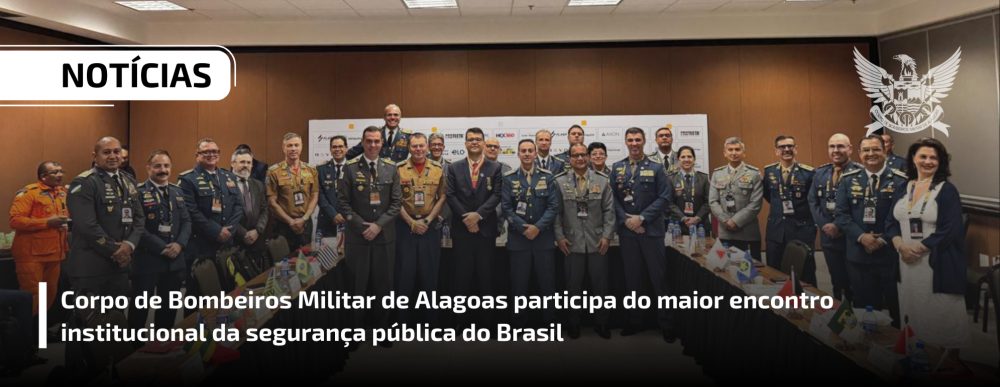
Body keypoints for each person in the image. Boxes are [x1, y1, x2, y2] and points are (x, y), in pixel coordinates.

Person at [887, 138, 970, 348]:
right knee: (913, 312)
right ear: (913, 159)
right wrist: (900, 247)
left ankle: (946, 363)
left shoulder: (946, 190)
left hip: (937, 263)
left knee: (942, 316)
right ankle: (916, 356)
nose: (928, 161)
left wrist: (917, 249)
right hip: (906, 263)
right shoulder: (903, 187)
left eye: (934, 157)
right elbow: (890, 223)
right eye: (923, 156)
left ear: (940, 162)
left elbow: (950, 229)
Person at [337, 126, 402, 347]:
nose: (373, 145)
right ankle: (355, 334)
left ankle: (383, 332)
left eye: (376, 141)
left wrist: (378, 226)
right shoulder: (350, 168)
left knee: (384, 287)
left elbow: (396, 204)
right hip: (358, 238)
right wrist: (361, 226)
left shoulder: (391, 168)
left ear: (381, 144)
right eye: (369, 141)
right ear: (362, 143)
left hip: (384, 238)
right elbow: (343, 203)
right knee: (357, 287)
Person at [609, 127, 675, 343]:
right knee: (633, 280)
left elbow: (665, 198)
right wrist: (628, 221)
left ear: (645, 141)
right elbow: (613, 200)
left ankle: (666, 323)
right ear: (626, 142)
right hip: (628, 234)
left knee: (659, 280)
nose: (634, 143)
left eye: (638, 140)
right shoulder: (617, 168)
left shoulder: (656, 168)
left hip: (652, 232)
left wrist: (642, 218)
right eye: (630, 140)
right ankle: (635, 321)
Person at [834, 134, 906, 327]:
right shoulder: (848, 179)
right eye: (866, 150)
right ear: (859, 154)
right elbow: (841, 214)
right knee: (867, 312)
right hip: (859, 257)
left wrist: (881, 240)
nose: (871, 154)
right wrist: (862, 237)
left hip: (890, 257)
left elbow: (901, 217)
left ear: (885, 151)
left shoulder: (900, 181)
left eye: (876, 149)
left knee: (899, 312)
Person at [66, 137, 143, 299]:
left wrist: (129, 245)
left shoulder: (129, 181)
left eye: (116, 152)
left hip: (120, 266)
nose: (113, 156)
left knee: (116, 317)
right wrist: (116, 251)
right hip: (91, 266)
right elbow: (87, 226)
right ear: (95, 156)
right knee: (89, 321)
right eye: (106, 152)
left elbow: (139, 218)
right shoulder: (84, 182)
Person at [554, 143, 615, 339]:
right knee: (573, 287)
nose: (579, 158)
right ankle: (574, 323)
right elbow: (556, 214)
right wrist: (559, 237)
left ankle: (602, 323)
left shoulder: (603, 180)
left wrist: (607, 236)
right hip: (571, 242)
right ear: (570, 159)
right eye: (575, 155)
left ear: (588, 157)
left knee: (600, 287)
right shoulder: (559, 181)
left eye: (583, 155)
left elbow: (609, 212)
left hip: (598, 242)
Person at [445, 127, 503, 330]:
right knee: (462, 278)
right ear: (465, 144)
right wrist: (467, 219)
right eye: (470, 139)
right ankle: (460, 321)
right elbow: (450, 196)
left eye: (478, 139)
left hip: (486, 230)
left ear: (484, 143)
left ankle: (487, 322)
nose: (474, 142)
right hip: (462, 231)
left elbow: (497, 195)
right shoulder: (454, 168)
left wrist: (478, 216)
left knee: (486, 278)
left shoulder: (495, 168)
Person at [179, 138, 243, 314]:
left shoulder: (228, 176)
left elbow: (239, 205)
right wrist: (216, 231)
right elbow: (191, 212)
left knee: (226, 289)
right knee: (197, 295)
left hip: (226, 243)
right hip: (201, 245)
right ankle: (190, 335)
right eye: (206, 152)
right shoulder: (188, 179)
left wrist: (228, 230)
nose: (211, 155)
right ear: (197, 155)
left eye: (214, 151)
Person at [130, 150, 191, 335]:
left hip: (174, 261)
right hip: (148, 260)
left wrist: (179, 244)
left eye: (166, 166)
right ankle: (133, 351)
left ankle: (162, 345)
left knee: (169, 309)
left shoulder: (177, 191)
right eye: (157, 166)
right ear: (148, 168)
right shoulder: (138, 193)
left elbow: (187, 221)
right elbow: (137, 227)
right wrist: (162, 248)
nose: (162, 170)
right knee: (140, 310)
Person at [502, 139, 559, 329]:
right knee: (518, 286)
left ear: (535, 154)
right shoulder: (509, 177)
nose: (527, 154)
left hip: (543, 239)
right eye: (523, 151)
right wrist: (523, 228)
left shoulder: (547, 177)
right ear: (518, 154)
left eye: (530, 151)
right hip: (519, 240)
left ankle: (550, 323)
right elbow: (506, 208)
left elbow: (553, 207)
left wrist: (538, 228)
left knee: (547, 285)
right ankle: (519, 323)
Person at [394, 133, 447, 327]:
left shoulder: (438, 169)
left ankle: (432, 323)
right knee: (404, 278)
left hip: (429, 228)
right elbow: (395, 201)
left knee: (430, 277)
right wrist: (411, 223)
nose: (418, 149)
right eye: (414, 146)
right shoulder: (399, 169)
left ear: (427, 147)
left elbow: (442, 197)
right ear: (409, 148)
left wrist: (428, 220)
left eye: (421, 146)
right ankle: (401, 324)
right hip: (405, 228)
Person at [9, 161, 69, 315]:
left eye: (61, 171)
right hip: (32, 256)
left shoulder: (62, 193)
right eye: (55, 172)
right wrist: (47, 222)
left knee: (49, 296)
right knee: (33, 297)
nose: (60, 175)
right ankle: (25, 335)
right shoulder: (29, 193)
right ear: (43, 176)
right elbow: (15, 220)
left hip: (55, 254)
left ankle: (39, 333)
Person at [808, 134, 861, 301]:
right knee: (837, 281)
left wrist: (838, 225)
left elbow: (858, 206)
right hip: (829, 237)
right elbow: (812, 201)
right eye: (832, 146)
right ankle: (840, 319)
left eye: (841, 146)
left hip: (850, 238)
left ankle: (859, 320)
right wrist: (826, 225)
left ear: (850, 149)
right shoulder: (821, 173)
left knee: (856, 282)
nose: (836, 150)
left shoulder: (860, 173)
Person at [762, 135, 817, 284]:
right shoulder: (769, 172)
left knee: (805, 272)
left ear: (795, 149)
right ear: (776, 151)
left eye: (790, 146)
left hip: (801, 229)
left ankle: (808, 305)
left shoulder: (809, 173)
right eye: (782, 147)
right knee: (774, 271)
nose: (786, 150)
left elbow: (813, 201)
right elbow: (768, 195)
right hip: (776, 230)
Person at [708, 137, 763, 261]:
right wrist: (726, 221)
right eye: (730, 149)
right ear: (725, 152)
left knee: (751, 273)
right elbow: (713, 201)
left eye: (737, 149)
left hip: (748, 233)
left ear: (744, 152)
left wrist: (736, 221)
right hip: (725, 232)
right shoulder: (717, 173)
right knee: (725, 272)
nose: (734, 153)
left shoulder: (754, 173)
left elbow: (756, 203)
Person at [267, 133, 319, 251]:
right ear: (283, 148)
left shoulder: (311, 170)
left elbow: (315, 196)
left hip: (305, 223)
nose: (293, 149)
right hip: (284, 225)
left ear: (301, 147)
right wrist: (291, 222)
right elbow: (271, 202)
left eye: (296, 145)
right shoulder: (273, 172)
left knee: (306, 259)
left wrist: (304, 218)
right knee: (284, 262)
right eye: (289, 145)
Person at [231, 148, 270, 261]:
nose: (246, 165)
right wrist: (244, 234)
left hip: (257, 239)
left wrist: (258, 231)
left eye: (249, 163)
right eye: (242, 162)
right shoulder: (225, 183)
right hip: (236, 241)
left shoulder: (258, 184)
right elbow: (227, 214)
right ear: (233, 163)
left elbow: (264, 209)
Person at [665, 146, 710, 237]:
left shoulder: (704, 178)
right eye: (683, 157)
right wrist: (683, 218)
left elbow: (709, 202)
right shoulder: (670, 179)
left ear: (694, 159)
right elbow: (669, 202)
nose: (686, 159)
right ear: (678, 160)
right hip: (678, 226)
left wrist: (697, 218)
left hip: (700, 226)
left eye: (689, 156)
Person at [346, 104, 412, 163]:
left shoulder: (407, 136)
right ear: (384, 117)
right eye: (389, 115)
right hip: (377, 175)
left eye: (395, 115)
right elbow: (350, 154)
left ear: (400, 117)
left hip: (398, 175)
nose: (392, 117)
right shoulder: (375, 134)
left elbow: (417, 155)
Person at [317, 135, 348, 239]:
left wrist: (344, 215)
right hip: (327, 220)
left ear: (346, 148)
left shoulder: (354, 168)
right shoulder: (320, 169)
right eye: (334, 147)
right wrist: (333, 214)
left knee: (349, 254)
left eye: (340, 146)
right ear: (330, 149)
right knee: (328, 254)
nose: (337, 149)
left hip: (348, 221)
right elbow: (319, 196)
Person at [485, 137, 513, 237]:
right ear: (484, 148)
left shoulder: (507, 169)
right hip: (480, 218)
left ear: (499, 150)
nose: (492, 148)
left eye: (495, 146)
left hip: (501, 220)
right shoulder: (476, 168)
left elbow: (509, 196)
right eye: (489, 146)